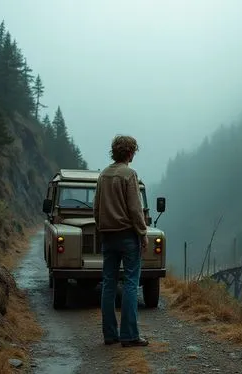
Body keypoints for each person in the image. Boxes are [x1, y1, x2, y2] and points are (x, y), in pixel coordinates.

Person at [93, 135, 149, 348]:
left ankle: (110, 335)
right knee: (131, 283)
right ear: (129, 152)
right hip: (127, 236)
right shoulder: (129, 175)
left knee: (108, 283)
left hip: (108, 236)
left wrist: (101, 229)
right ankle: (129, 335)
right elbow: (135, 209)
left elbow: (96, 208)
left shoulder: (103, 175)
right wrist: (142, 233)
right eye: (133, 150)